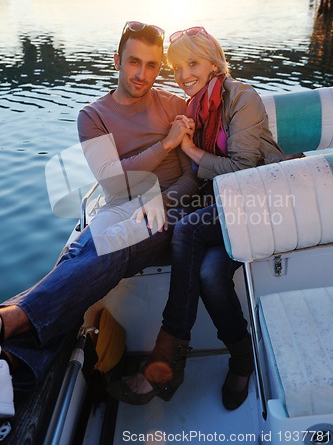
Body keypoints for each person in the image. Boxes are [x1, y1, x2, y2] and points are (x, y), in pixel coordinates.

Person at [0, 21, 200, 417]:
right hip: (119, 205)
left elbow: (194, 173)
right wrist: (165, 144)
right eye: (133, 62)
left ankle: (14, 319)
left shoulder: (176, 105)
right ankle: (16, 361)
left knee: (109, 247)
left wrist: (162, 202)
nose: (141, 74)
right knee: (86, 250)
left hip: (172, 208)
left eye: (151, 65)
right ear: (116, 61)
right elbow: (114, 182)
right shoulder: (92, 116)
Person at [109, 26, 285, 410]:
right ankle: (241, 358)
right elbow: (193, 176)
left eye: (193, 63)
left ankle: (167, 353)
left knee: (188, 228)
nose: (184, 74)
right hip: (224, 208)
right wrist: (156, 200)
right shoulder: (193, 107)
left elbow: (243, 168)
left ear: (213, 62)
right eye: (177, 68)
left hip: (261, 203)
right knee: (208, 273)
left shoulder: (242, 97)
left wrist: (188, 147)